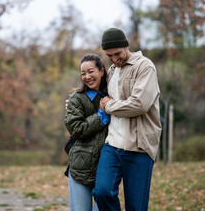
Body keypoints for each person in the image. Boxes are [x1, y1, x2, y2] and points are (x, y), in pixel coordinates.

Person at [92, 28, 162, 211]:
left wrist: (109, 106)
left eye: (117, 54)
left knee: (136, 207)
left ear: (126, 46)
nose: (114, 59)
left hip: (138, 146)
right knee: (101, 192)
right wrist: (75, 104)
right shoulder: (113, 70)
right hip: (112, 145)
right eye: (109, 56)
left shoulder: (145, 67)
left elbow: (139, 104)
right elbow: (98, 95)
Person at [64, 54, 110, 211]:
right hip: (80, 167)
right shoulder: (77, 99)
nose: (87, 77)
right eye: (83, 73)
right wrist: (101, 116)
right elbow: (76, 129)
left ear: (102, 71)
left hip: (106, 168)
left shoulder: (114, 96)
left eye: (91, 71)